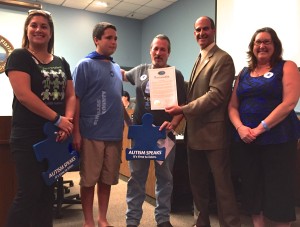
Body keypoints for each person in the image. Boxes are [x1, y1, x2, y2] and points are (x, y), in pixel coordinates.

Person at [165, 16, 241, 227]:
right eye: (197, 30)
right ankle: (202, 222)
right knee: (197, 184)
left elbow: (215, 95)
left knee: (222, 186)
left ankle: (231, 224)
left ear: (213, 30)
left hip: (214, 135)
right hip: (194, 134)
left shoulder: (223, 59)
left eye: (205, 29)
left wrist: (183, 109)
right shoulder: (200, 58)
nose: (201, 33)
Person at [4, 9, 75, 227]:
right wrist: (58, 119)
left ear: (50, 32)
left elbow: (71, 95)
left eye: (44, 26)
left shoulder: (62, 62)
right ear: (27, 29)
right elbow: (24, 96)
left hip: (56, 137)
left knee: (47, 193)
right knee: (29, 193)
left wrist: (68, 122)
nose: (39, 29)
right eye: (34, 25)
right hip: (27, 137)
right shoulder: (19, 56)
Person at [228, 27, 300, 227]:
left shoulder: (287, 67)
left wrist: (260, 128)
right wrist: (240, 128)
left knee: (278, 188)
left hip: (279, 139)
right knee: (252, 187)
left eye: (267, 41)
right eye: (258, 42)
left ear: (275, 45)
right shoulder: (243, 73)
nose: (262, 46)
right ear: (252, 47)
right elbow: (233, 106)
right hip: (246, 140)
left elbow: (289, 103)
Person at [123, 34, 186, 227]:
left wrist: (173, 124)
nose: (158, 53)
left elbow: (182, 106)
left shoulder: (176, 75)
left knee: (165, 179)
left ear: (168, 53)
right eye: (155, 49)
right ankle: (132, 221)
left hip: (163, 135)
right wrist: (104, 65)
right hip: (141, 136)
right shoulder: (140, 70)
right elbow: (121, 74)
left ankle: (163, 220)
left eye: (163, 49)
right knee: (136, 179)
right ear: (150, 50)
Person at [72, 22, 124, 227]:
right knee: (89, 180)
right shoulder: (84, 65)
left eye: (116, 38)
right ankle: (88, 221)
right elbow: (75, 99)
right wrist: (76, 132)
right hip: (91, 132)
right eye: (109, 37)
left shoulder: (116, 67)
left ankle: (102, 218)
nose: (113, 42)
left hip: (113, 134)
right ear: (97, 39)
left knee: (107, 179)